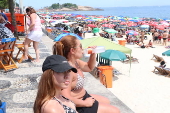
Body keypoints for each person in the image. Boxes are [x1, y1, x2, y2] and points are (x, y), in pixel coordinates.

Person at [53, 35, 120, 113]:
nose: (83, 49)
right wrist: (85, 103)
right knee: (115, 111)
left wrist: (93, 53)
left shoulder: (75, 62)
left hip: (84, 96)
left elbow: (89, 67)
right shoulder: (68, 71)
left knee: (107, 101)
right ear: (72, 51)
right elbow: (65, 97)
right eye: (80, 46)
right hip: (77, 104)